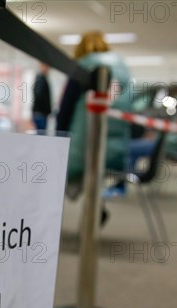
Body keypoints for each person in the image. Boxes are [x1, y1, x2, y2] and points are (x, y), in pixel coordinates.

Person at [56, 31, 133, 196]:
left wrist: (58, 136)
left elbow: (66, 108)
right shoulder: (123, 71)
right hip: (116, 148)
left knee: (64, 185)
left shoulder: (83, 67)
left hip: (83, 144)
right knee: (97, 179)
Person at [32, 63, 52, 134]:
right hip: (40, 113)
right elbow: (39, 96)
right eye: (45, 66)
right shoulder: (41, 80)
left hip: (40, 113)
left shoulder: (41, 79)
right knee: (41, 136)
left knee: (40, 135)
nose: (47, 69)